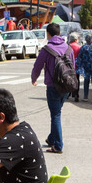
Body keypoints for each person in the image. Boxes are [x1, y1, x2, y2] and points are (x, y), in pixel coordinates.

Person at [31, 22, 74, 154]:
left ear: (48, 34)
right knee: (57, 112)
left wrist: (34, 79)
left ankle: (58, 145)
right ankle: (51, 138)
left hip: (53, 86)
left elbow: (37, 66)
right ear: (59, 33)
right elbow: (73, 66)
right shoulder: (68, 48)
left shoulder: (46, 50)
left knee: (55, 115)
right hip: (67, 85)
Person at [67, 32, 82, 102]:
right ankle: (76, 94)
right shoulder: (79, 47)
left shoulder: (67, 46)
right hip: (76, 66)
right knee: (77, 80)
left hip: (68, 66)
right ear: (76, 39)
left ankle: (68, 93)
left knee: (69, 80)